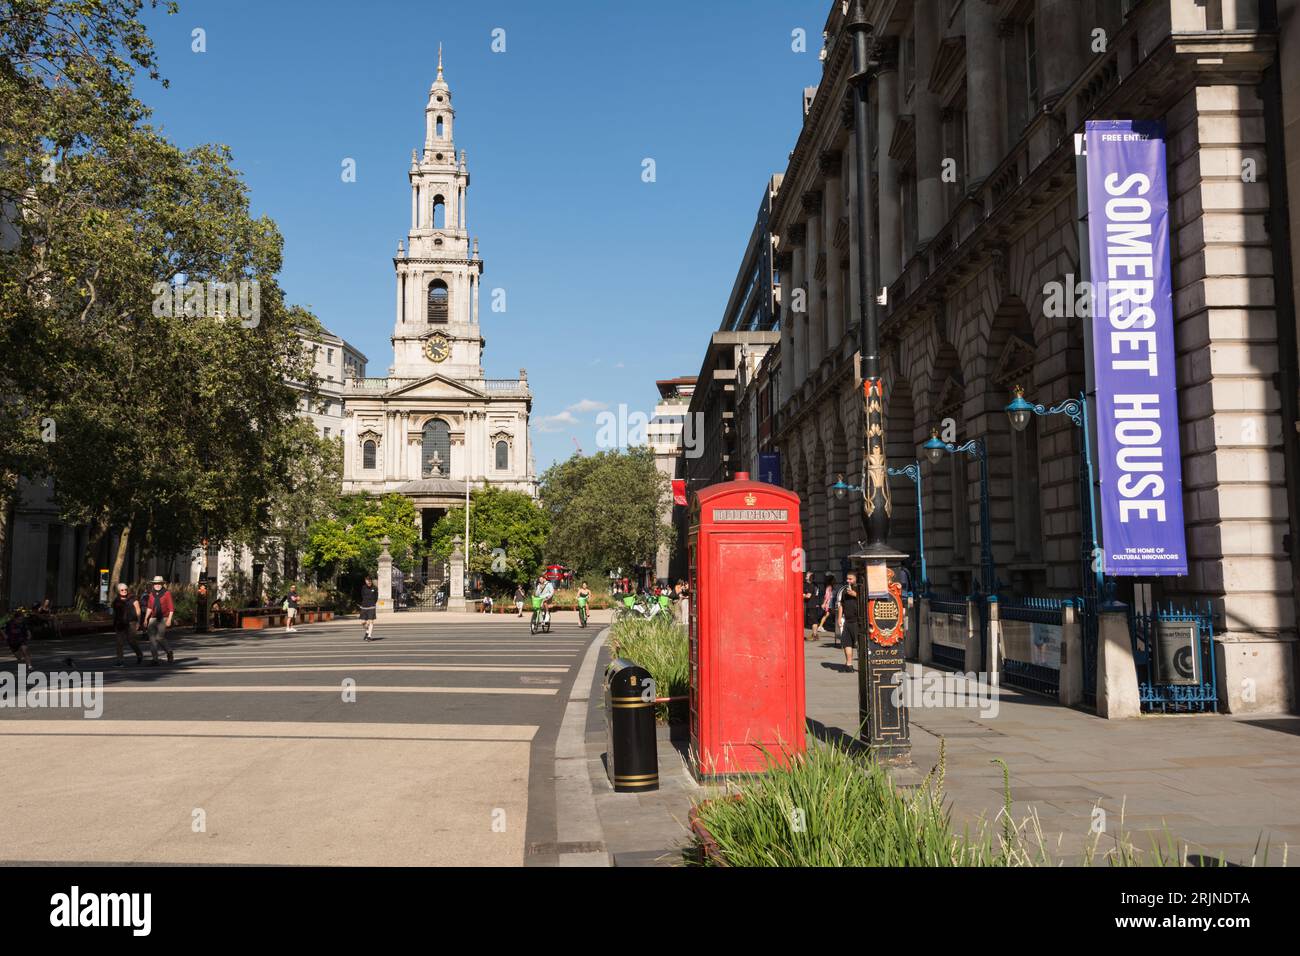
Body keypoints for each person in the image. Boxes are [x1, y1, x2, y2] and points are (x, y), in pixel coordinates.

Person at [140, 575, 175, 666]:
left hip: (163, 617)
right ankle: (155, 659)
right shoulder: (151, 594)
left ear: (162, 584)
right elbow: (149, 607)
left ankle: (169, 652)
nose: (157, 585)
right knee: (152, 639)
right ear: (153, 584)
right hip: (153, 617)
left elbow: (171, 608)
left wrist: (169, 620)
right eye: (156, 584)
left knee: (159, 637)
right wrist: (145, 619)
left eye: (159, 583)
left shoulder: (167, 593)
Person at [111, 584, 144, 666]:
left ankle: (139, 654)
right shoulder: (116, 601)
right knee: (119, 642)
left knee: (131, 641)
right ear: (118, 591)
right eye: (122, 590)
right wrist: (114, 622)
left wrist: (139, 622)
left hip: (131, 622)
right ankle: (120, 660)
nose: (124, 591)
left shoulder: (133, 598)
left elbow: (138, 610)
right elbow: (115, 613)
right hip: (120, 623)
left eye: (125, 589)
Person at [837, 571, 860, 672]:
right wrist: (839, 617)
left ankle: (863, 666)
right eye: (847, 578)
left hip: (857, 620)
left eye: (850, 579)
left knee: (859, 644)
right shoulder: (845, 590)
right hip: (847, 620)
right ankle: (849, 664)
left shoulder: (860, 588)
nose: (848, 581)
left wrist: (856, 595)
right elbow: (841, 604)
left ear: (855, 579)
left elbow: (867, 601)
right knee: (847, 643)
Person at [816, 574, 837, 639]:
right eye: (834, 580)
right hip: (829, 603)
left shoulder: (831, 587)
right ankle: (820, 626)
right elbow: (827, 596)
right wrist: (824, 603)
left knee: (828, 614)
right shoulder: (829, 587)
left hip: (831, 602)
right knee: (827, 614)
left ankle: (821, 626)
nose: (835, 581)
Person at [359, 575, 378, 641]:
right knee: (363, 622)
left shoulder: (375, 588)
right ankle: (367, 632)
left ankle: (369, 636)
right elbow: (362, 595)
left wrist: (373, 603)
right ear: (365, 581)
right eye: (367, 581)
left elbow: (376, 597)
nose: (368, 582)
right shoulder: (363, 587)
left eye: (369, 580)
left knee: (371, 621)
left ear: (371, 581)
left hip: (372, 606)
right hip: (364, 607)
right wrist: (363, 603)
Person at [802, 572, 818, 641]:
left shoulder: (811, 585)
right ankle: (814, 634)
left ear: (811, 577)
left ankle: (814, 635)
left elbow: (808, 596)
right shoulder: (810, 585)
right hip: (811, 604)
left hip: (812, 604)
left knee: (813, 620)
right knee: (812, 620)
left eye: (807, 575)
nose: (806, 576)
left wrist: (802, 595)